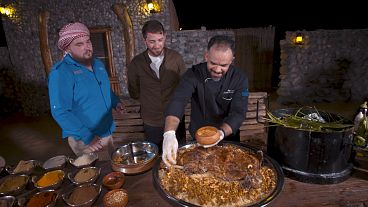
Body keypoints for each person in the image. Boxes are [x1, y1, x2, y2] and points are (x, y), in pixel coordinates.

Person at [162, 35, 249, 166]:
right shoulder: (193, 74)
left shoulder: (240, 79)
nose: (217, 69)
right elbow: (178, 101)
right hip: (199, 136)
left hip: (227, 136)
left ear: (232, 60)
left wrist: (220, 133)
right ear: (206, 56)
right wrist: (169, 133)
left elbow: (238, 112)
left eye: (224, 65)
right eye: (213, 63)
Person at [48, 22, 123, 160]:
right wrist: (88, 137)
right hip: (86, 138)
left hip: (106, 130)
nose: (86, 47)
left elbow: (104, 88)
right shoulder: (61, 73)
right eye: (79, 44)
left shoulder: (98, 64)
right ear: (67, 48)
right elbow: (60, 111)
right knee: (95, 174)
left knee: (113, 165)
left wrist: (115, 102)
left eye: (88, 41)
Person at [127, 20, 187, 149]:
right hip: (151, 120)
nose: (157, 45)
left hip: (175, 117)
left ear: (164, 37)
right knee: (155, 154)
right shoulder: (136, 63)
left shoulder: (176, 58)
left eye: (160, 40)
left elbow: (184, 85)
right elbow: (134, 91)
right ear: (145, 41)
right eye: (152, 41)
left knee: (179, 152)